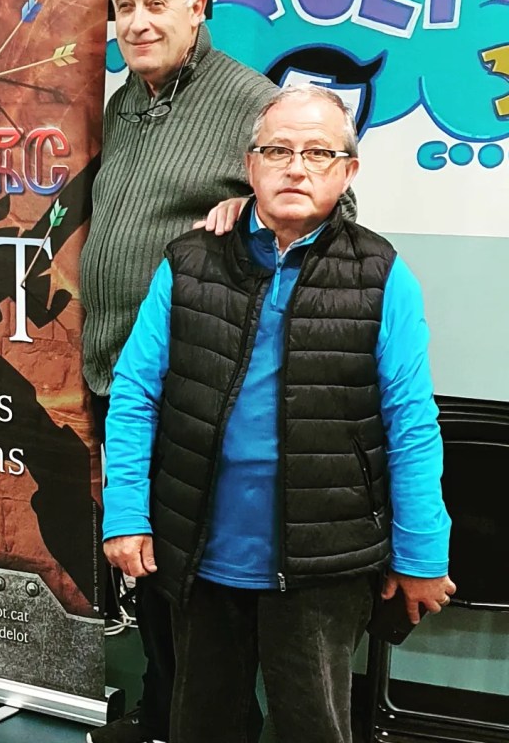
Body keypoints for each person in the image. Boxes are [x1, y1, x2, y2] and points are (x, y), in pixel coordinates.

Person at [103, 85, 454, 743]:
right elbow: (135, 392)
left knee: (313, 727)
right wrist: (125, 513)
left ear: (348, 171)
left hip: (327, 561)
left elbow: (411, 423)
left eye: (318, 153)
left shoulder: (382, 275)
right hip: (200, 550)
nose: (296, 167)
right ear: (250, 164)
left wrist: (422, 554)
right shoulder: (189, 262)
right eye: (278, 150)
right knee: (201, 726)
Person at [80, 0, 277, 743]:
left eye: (156, 4)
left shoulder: (251, 100)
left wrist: (252, 211)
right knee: (146, 568)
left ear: (198, 10)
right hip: (114, 375)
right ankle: (165, 713)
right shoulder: (124, 102)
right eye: (125, 7)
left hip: (193, 382)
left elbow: (326, 210)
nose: (138, 22)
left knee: (192, 579)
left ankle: (216, 725)